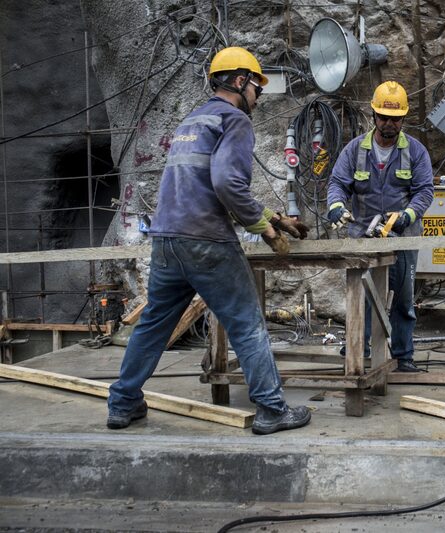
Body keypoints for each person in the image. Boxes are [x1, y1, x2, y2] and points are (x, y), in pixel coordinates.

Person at [107, 47, 312, 435]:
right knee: (247, 325)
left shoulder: (192, 120)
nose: (258, 96)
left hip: (167, 240)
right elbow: (226, 183)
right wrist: (260, 226)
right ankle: (271, 409)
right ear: (239, 81)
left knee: (152, 325)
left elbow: (202, 186)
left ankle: (123, 403)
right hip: (206, 242)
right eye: (256, 86)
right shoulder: (234, 120)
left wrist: (270, 217)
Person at [326, 81, 434, 372]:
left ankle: (403, 355)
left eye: (395, 119)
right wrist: (336, 205)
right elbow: (337, 183)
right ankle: (358, 349)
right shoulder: (355, 150)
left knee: (403, 298)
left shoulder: (415, 151)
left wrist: (408, 216)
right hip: (363, 235)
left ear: (403, 119)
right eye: (383, 117)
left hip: (402, 237)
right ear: (373, 116)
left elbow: (424, 190)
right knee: (360, 297)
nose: (389, 124)